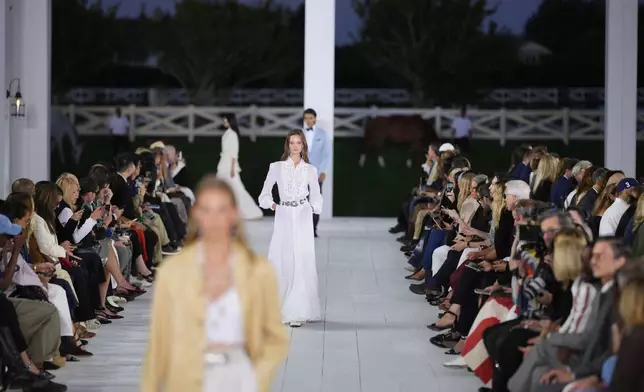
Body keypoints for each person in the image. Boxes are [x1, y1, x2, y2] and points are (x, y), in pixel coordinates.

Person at [141, 176, 288, 392]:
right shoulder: (172, 272)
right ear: (197, 214)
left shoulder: (259, 272)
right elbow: (158, 344)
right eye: (207, 210)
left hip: (240, 379)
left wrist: (257, 377)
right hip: (186, 379)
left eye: (222, 209)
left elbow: (276, 338)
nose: (214, 219)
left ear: (234, 213)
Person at [258, 129, 323, 327]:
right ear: (288, 145)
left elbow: (317, 196)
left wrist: (312, 208)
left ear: (303, 145)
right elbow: (264, 195)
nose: (295, 146)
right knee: (282, 258)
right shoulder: (276, 167)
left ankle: (297, 310)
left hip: (302, 216)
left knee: (301, 258)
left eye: (299, 142)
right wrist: (274, 206)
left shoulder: (310, 170)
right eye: (292, 142)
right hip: (284, 216)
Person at [216, 114, 263, 220]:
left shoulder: (233, 135)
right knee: (222, 188)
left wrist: (232, 168)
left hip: (229, 165)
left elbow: (234, 152)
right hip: (223, 164)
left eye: (226, 121)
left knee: (238, 189)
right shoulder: (227, 134)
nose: (224, 122)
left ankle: (252, 211)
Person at [302, 108, 330, 237]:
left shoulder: (323, 134)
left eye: (310, 118)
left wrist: (324, 171)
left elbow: (327, 155)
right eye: (306, 118)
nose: (308, 121)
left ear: (315, 119)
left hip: (316, 173)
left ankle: (313, 229)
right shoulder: (299, 134)